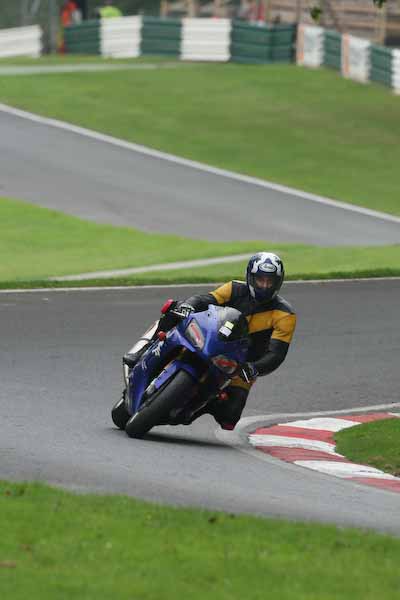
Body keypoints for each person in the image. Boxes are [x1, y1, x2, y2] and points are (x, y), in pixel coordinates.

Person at [124, 252, 296, 430]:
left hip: (239, 364)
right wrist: (188, 306)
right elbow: (204, 299)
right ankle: (145, 348)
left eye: (270, 281)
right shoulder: (234, 288)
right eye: (260, 280)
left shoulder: (285, 315)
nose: (265, 286)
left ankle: (204, 403)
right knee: (174, 308)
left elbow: (276, 354)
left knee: (230, 417)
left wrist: (255, 368)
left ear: (279, 282)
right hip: (209, 339)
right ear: (250, 277)